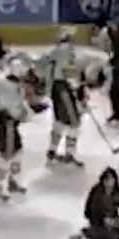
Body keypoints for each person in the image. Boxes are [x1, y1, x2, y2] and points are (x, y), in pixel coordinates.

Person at [44, 28, 85, 167]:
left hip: (57, 88)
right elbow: (69, 71)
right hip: (65, 89)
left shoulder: (56, 50)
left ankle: (52, 150)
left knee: (59, 121)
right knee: (74, 123)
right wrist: (76, 87)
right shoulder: (67, 50)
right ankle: (69, 153)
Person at [0, 68, 29, 202]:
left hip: (9, 123)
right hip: (6, 123)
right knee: (7, 154)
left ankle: (11, 182)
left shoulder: (9, 87)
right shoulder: (7, 87)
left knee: (17, 151)